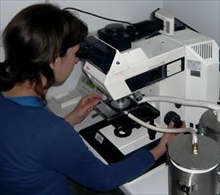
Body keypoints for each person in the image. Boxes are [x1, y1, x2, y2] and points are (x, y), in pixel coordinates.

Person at [0, 3, 181, 195]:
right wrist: (160, 149)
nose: (77, 60)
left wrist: (69, 120)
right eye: (74, 54)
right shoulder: (51, 133)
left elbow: (26, 141)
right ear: (54, 61)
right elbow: (105, 179)